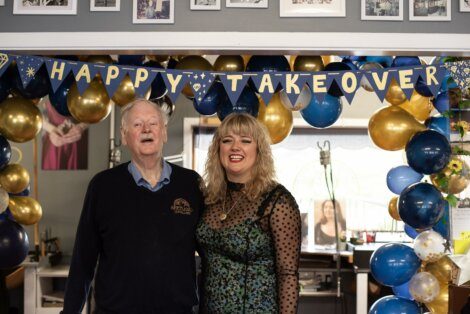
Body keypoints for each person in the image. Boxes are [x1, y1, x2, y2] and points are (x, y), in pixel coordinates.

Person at [62, 99, 204, 314]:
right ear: (124, 136)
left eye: (153, 123)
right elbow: (83, 259)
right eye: (137, 124)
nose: (146, 129)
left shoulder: (191, 184)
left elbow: (210, 254)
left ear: (164, 132)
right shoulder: (102, 186)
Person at [196, 113, 301, 313]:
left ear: (259, 150)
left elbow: (288, 275)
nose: (235, 147)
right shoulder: (210, 197)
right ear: (218, 149)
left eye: (245, 140)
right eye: (227, 140)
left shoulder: (277, 201)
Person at [41, 99, 88, 170]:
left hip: (78, 139)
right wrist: (52, 130)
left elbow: (98, 114)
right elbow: (35, 117)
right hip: (54, 139)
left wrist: (82, 126)